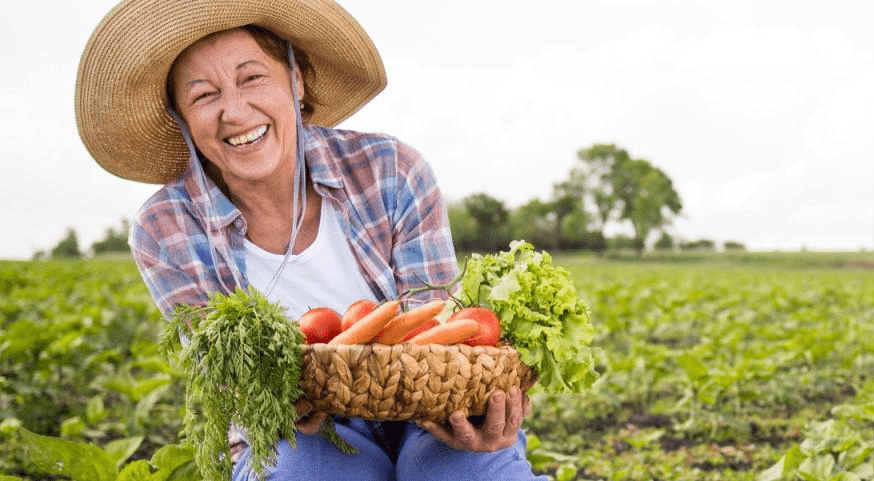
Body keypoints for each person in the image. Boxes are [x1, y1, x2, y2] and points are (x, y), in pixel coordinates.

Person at [75, 1, 545, 479]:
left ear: (296, 81)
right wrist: (279, 399)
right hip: (291, 433)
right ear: (181, 117)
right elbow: (231, 381)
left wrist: (480, 414)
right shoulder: (165, 230)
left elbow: (444, 339)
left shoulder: (391, 170)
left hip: (424, 411)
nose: (234, 112)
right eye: (203, 96)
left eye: (252, 77)